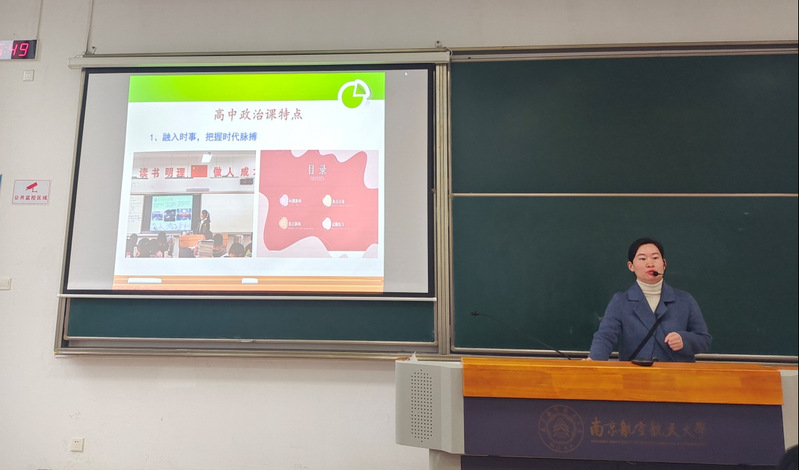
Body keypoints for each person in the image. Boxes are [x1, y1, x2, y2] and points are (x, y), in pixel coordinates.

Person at [587, 237, 711, 362]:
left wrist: (684, 340)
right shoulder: (621, 301)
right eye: (642, 259)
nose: (650, 263)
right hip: (636, 372)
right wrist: (594, 361)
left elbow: (704, 339)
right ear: (631, 266)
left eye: (655, 258)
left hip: (676, 373)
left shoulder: (685, 300)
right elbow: (605, 336)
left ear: (664, 264)